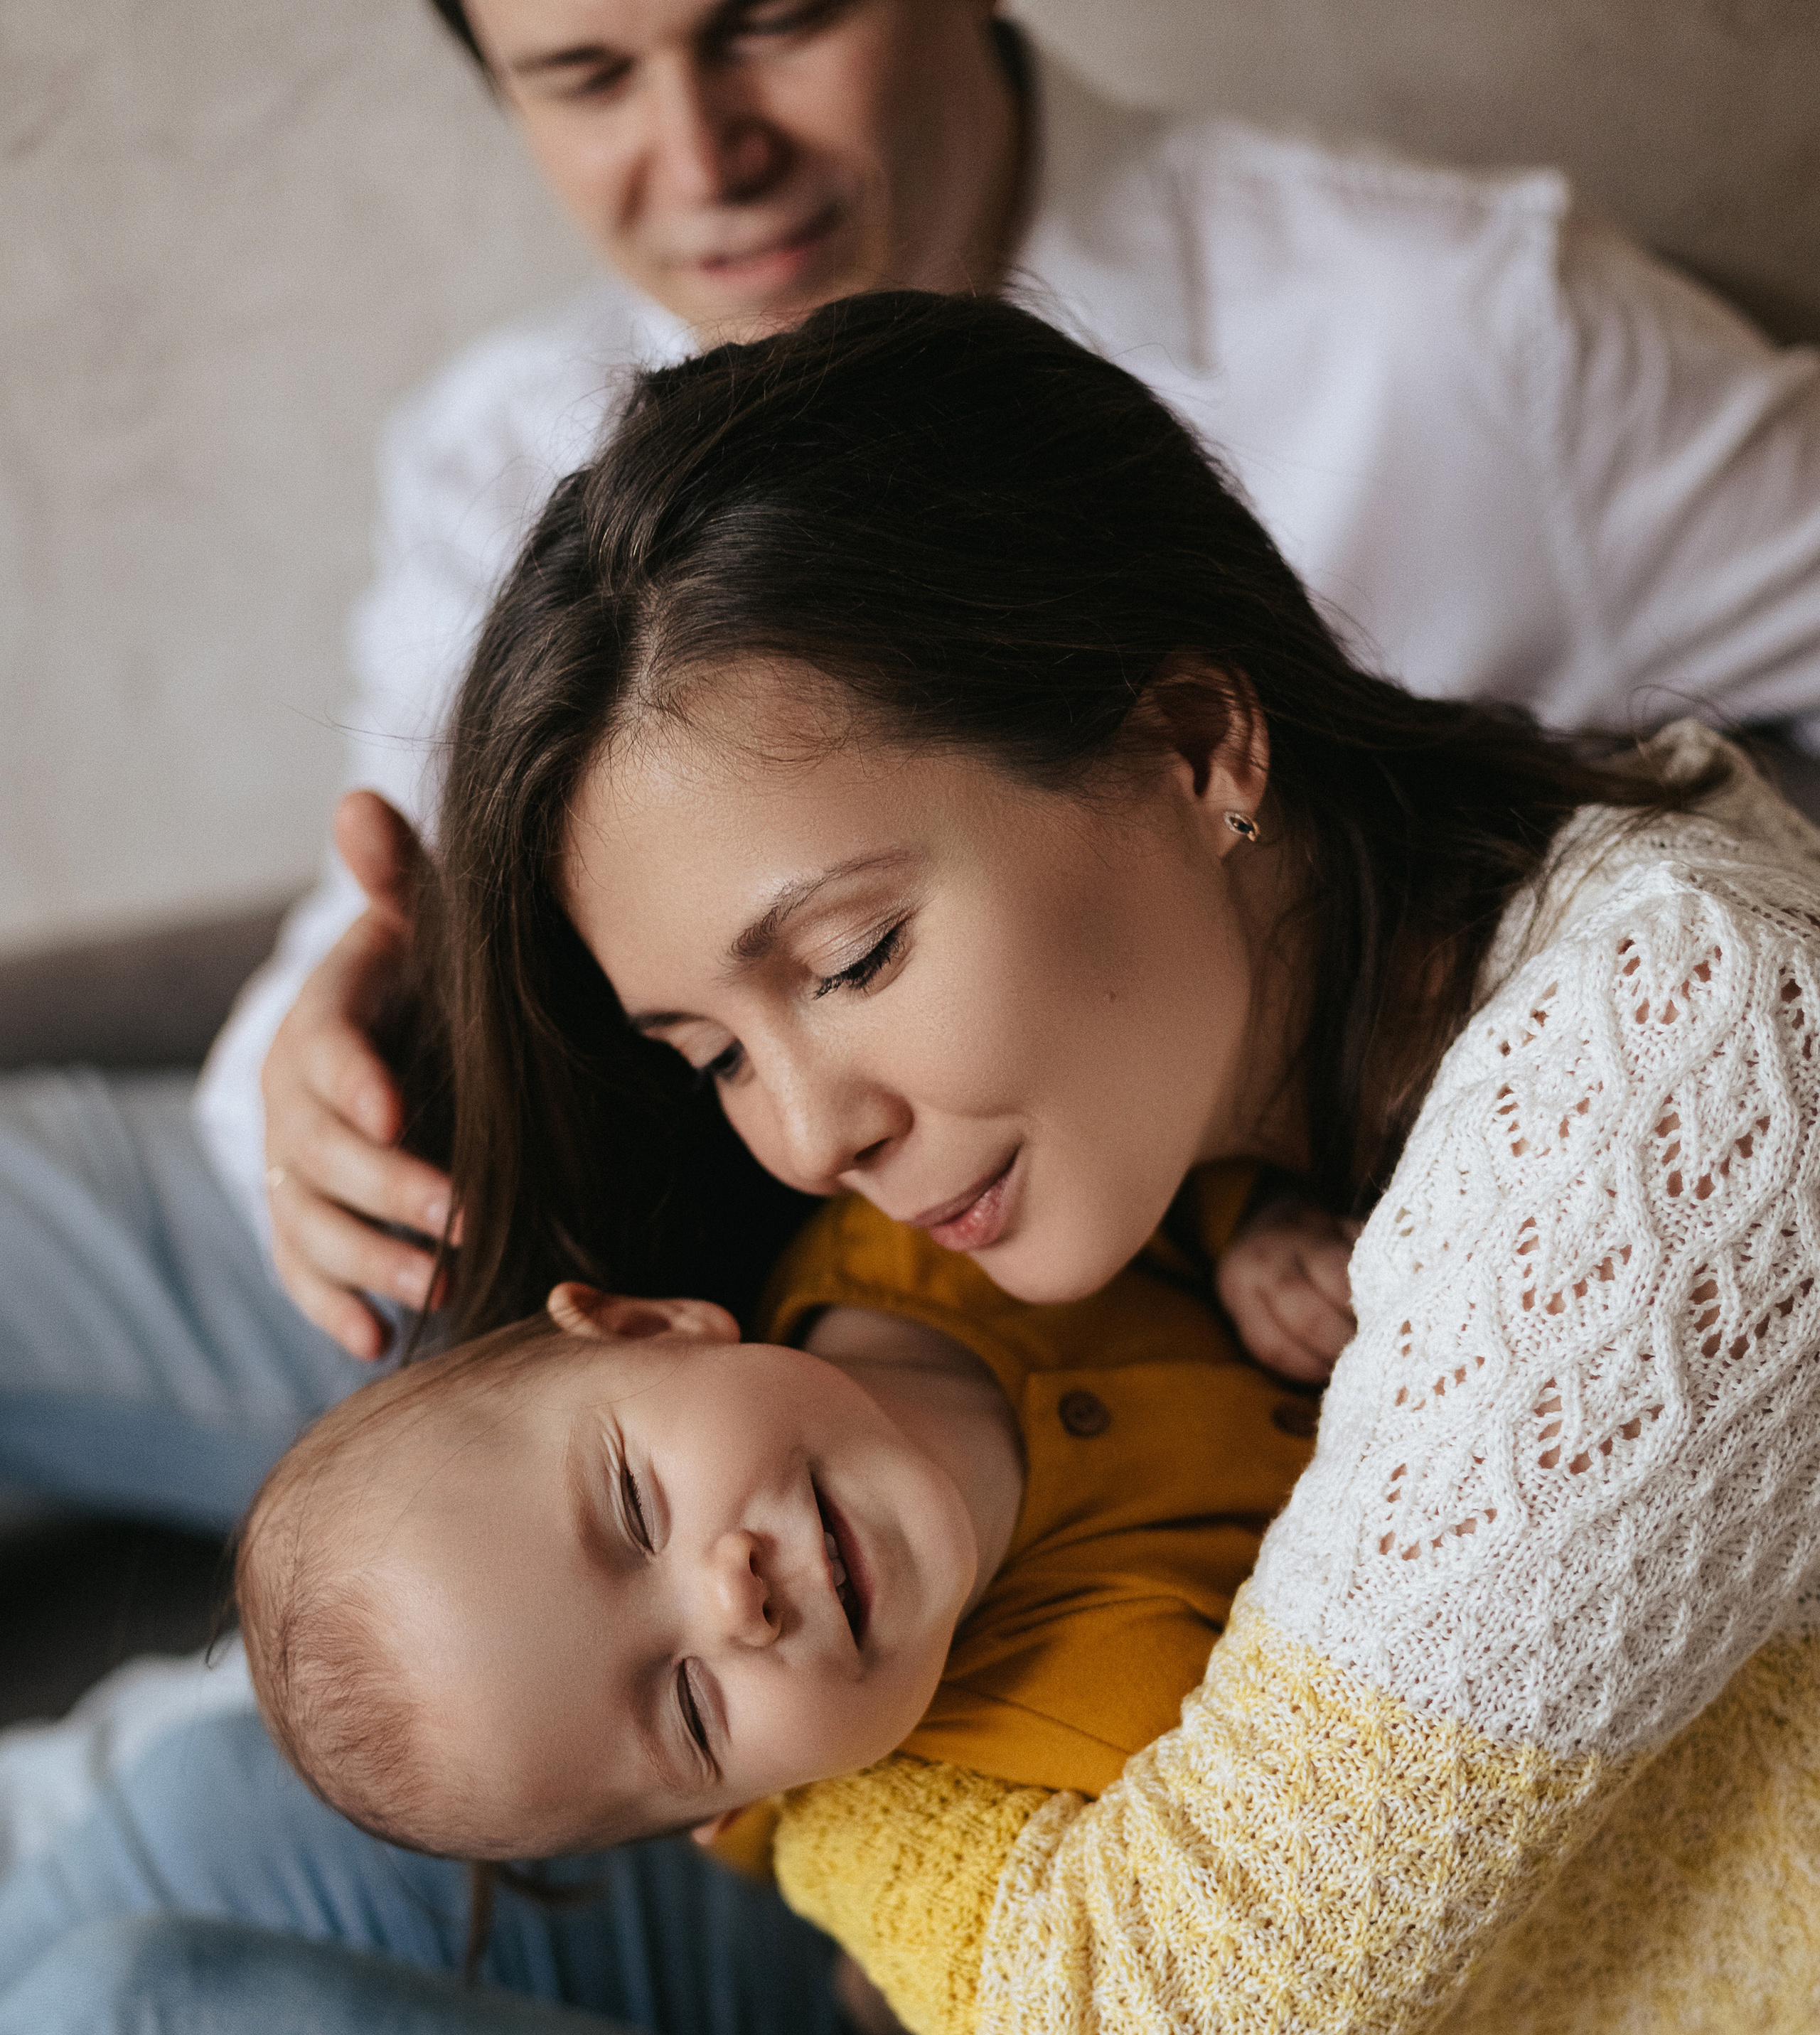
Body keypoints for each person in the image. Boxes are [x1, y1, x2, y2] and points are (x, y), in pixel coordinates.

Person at [6, 294, 1819, 2035]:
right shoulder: (1202, 1103)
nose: (803, 1125)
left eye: (851, 956)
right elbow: (633, 1449)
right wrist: (443, 1068)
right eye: (708, 1050)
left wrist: (764, 1778)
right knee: (254, 1821)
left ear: (1197, 737)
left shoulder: (1660, 1078)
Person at [5, 0, 1820, 1526]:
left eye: (776, 20)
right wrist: (329, 1090)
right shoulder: (503, 460)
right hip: (548, 1293)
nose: (707, 156)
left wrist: (1480, 1101)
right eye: (584, 77)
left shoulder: (1444, 336)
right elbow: (326, 1004)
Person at [233, 1176, 1317, 1857]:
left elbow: (1157, 1141)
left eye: (634, 1508)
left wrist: (1256, 1226)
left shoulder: (920, 1219)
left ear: (654, 1326)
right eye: (695, 1712)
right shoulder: (1096, 1751)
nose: (731, 1599)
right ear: (742, 1808)